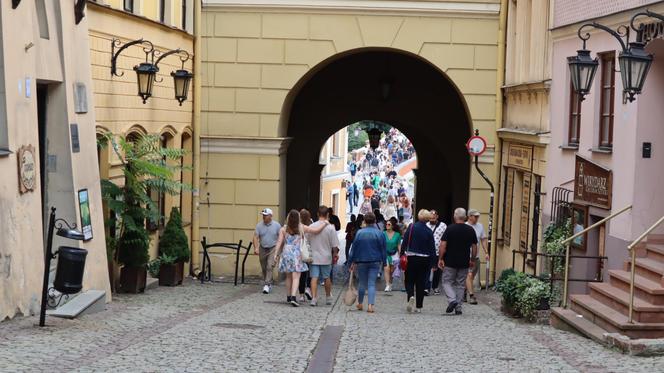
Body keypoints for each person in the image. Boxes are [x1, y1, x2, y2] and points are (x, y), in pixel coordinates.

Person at [274, 210, 325, 307]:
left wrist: (275, 254)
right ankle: (293, 297)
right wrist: (325, 224)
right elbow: (316, 231)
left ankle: (288, 296)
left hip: (286, 253)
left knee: (288, 276)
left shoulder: (283, 229)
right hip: (297, 254)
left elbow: (279, 242)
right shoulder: (302, 227)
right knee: (296, 276)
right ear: (298, 218)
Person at [438, 208, 478, 315]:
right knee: (461, 284)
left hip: (450, 261)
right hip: (464, 261)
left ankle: (452, 300)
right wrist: (472, 259)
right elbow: (474, 247)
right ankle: (459, 307)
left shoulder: (450, 229)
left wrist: (440, 258)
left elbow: (443, 245)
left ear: (455, 216)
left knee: (446, 282)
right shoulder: (470, 230)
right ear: (465, 217)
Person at [348, 212, 387, 313]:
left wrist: (351, 262)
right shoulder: (380, 233)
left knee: (362, 283)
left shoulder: (359, 233)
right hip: (375, 261)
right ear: (375, 221)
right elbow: (383, 249)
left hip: (361, 260)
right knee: (371, 284)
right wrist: (384, 262)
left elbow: (354, 249)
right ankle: (370, 305)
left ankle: (360, 303)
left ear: (364, 221)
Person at [401, 209, 436, 313]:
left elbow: (405, 242)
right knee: (421, 282)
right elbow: (432, 248)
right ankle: (419, 306)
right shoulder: (429, 231)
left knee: (409, 280)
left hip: (411, 258)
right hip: (425, 259)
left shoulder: (411, 227)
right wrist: (433, 262)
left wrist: (402, 253)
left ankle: (411, 296)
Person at [308, 206, 340, 306]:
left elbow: (307, 241)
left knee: (314, 277)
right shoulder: (330, 228)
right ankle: (328, 297)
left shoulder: (312, 226)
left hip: (314, 256)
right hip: (326, 257)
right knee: (326, 277)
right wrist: (335, 254)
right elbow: (335, 245)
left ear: (318, 214)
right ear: (327, 215)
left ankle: (314, 298)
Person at [253, 208, 282, 294]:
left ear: (270, 216)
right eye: (263, 215)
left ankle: (267, 284)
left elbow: (281, 237)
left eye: (265, 215)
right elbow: (255, 237)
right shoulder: (259, 225)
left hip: (273, 247)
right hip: (262, 247)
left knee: (270, 266)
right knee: (264, 266)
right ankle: (268, 282)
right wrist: (256, 248)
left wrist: (279, 250)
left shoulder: (277, 225)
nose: (263, 217)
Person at [465, 208, 489, 305]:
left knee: (471, 277)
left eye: (478, 216)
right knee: (469, 275)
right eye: (475, 216)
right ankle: (472, 296)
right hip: (466, 256)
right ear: (469, 217)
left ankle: (463, 292)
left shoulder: (480, 226)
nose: (477, 218)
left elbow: (483, 239)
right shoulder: (465, 226)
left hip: (476, 257)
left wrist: (486, 252)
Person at [426, 210, 447, 295]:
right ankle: (426, 288)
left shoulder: (443, 226)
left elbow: (446, 238)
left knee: (437, 270)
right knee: (427, 270)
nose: (432, 219)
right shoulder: (426, 225)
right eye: (430, 218)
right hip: (427, 252)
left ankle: (435, 287)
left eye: (434, 217)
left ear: (437, 216)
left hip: (438, 252)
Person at [298, 209, 314, 302]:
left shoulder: (298, 225)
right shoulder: (312, 224)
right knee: (311, 272)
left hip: (300, 252)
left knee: (301, 274)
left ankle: (301, 295)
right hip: (309, 251)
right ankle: (308, 288)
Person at [383, 218, 401, 292]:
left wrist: (400, 254)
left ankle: (390, 283)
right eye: (386, 224)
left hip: (394, 254)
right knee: (386, 269)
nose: (387, 225)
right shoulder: (383, 233)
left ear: (392, 226)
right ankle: (387, 285)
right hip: (386, 254)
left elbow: (399, 245)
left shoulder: (397, 235)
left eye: (389, 224)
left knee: (391, 270)